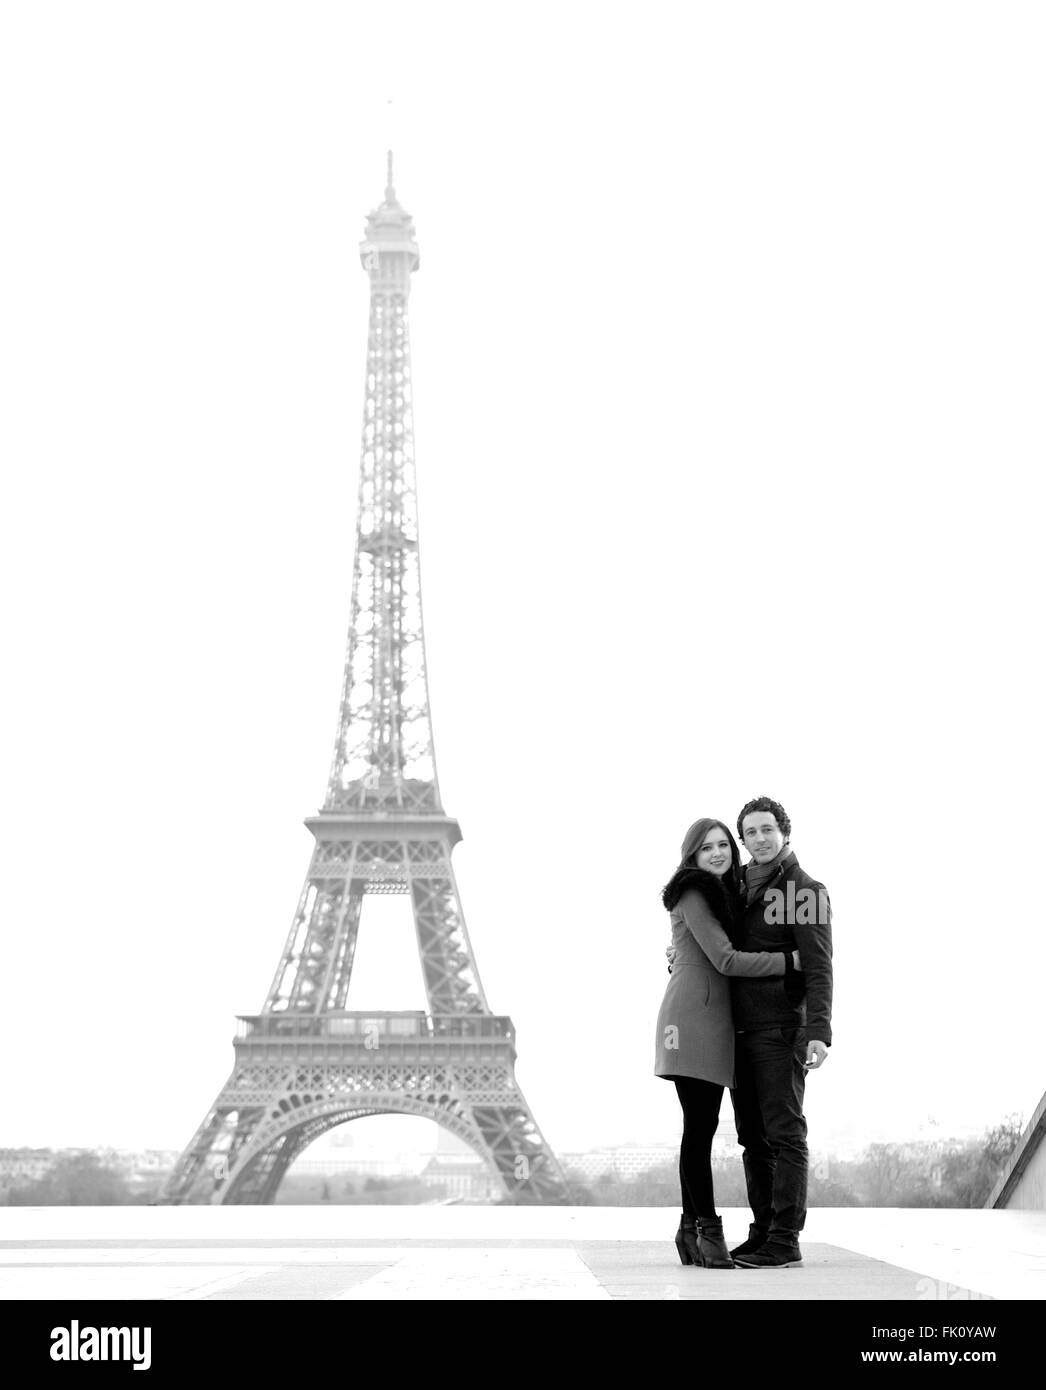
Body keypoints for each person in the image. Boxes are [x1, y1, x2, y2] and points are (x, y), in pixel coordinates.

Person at [655, 816, 801, 1268]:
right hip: (694, 1019)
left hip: (710, 1018)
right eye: (706, 848)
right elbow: (725, 959)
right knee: (699, 1128)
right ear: (692, 856)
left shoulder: (722, 893)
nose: (717, 853)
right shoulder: (694, 892)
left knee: (699, 1128)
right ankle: (708, 1232)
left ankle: (690, 1230)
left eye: (722, 845)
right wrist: (789, 961)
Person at [728, 796, 833, 1269]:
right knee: (752, 1139)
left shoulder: (804, 890)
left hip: (781, 1028)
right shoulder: (736, 886)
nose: (760, 839)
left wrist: (819, 1031)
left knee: (785, 1135)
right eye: (751, 832)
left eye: (767, 829)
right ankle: (763, 1232)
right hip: (739, 1029)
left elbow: (819, 966)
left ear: (784, 832)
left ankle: (786, 1239)